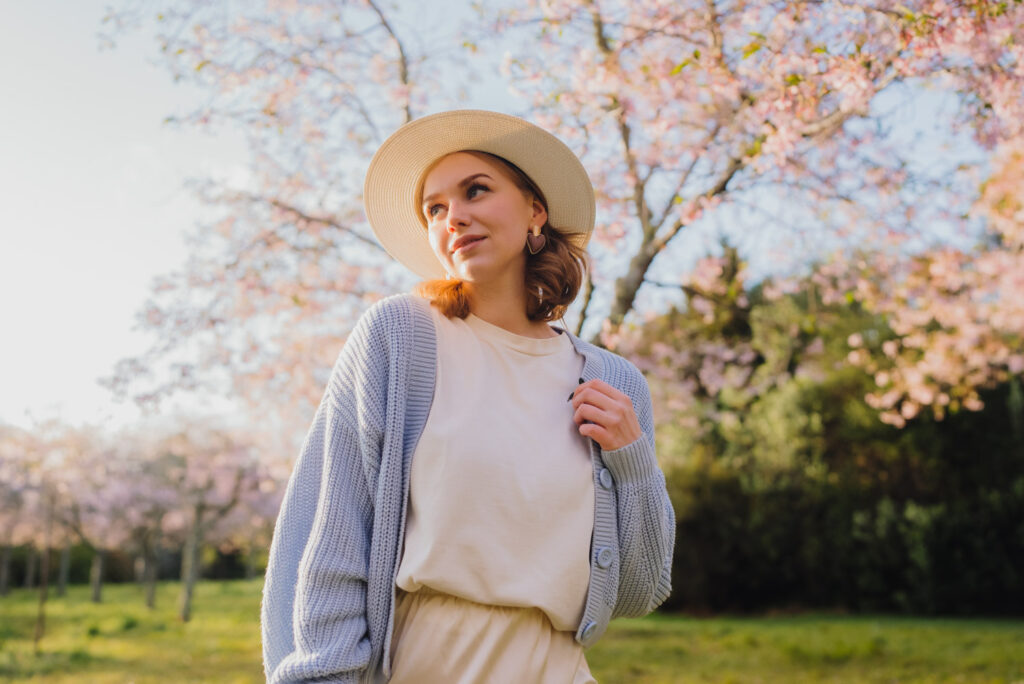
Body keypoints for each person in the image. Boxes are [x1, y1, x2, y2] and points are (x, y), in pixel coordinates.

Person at [261, 110, 676, 684]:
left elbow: (640, 589)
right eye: (434, 208)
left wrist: (634, 466)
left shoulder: (613, 381)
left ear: (536, 211)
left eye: (475, 191)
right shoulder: (401, 337)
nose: (453, 217)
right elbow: (332, 535)